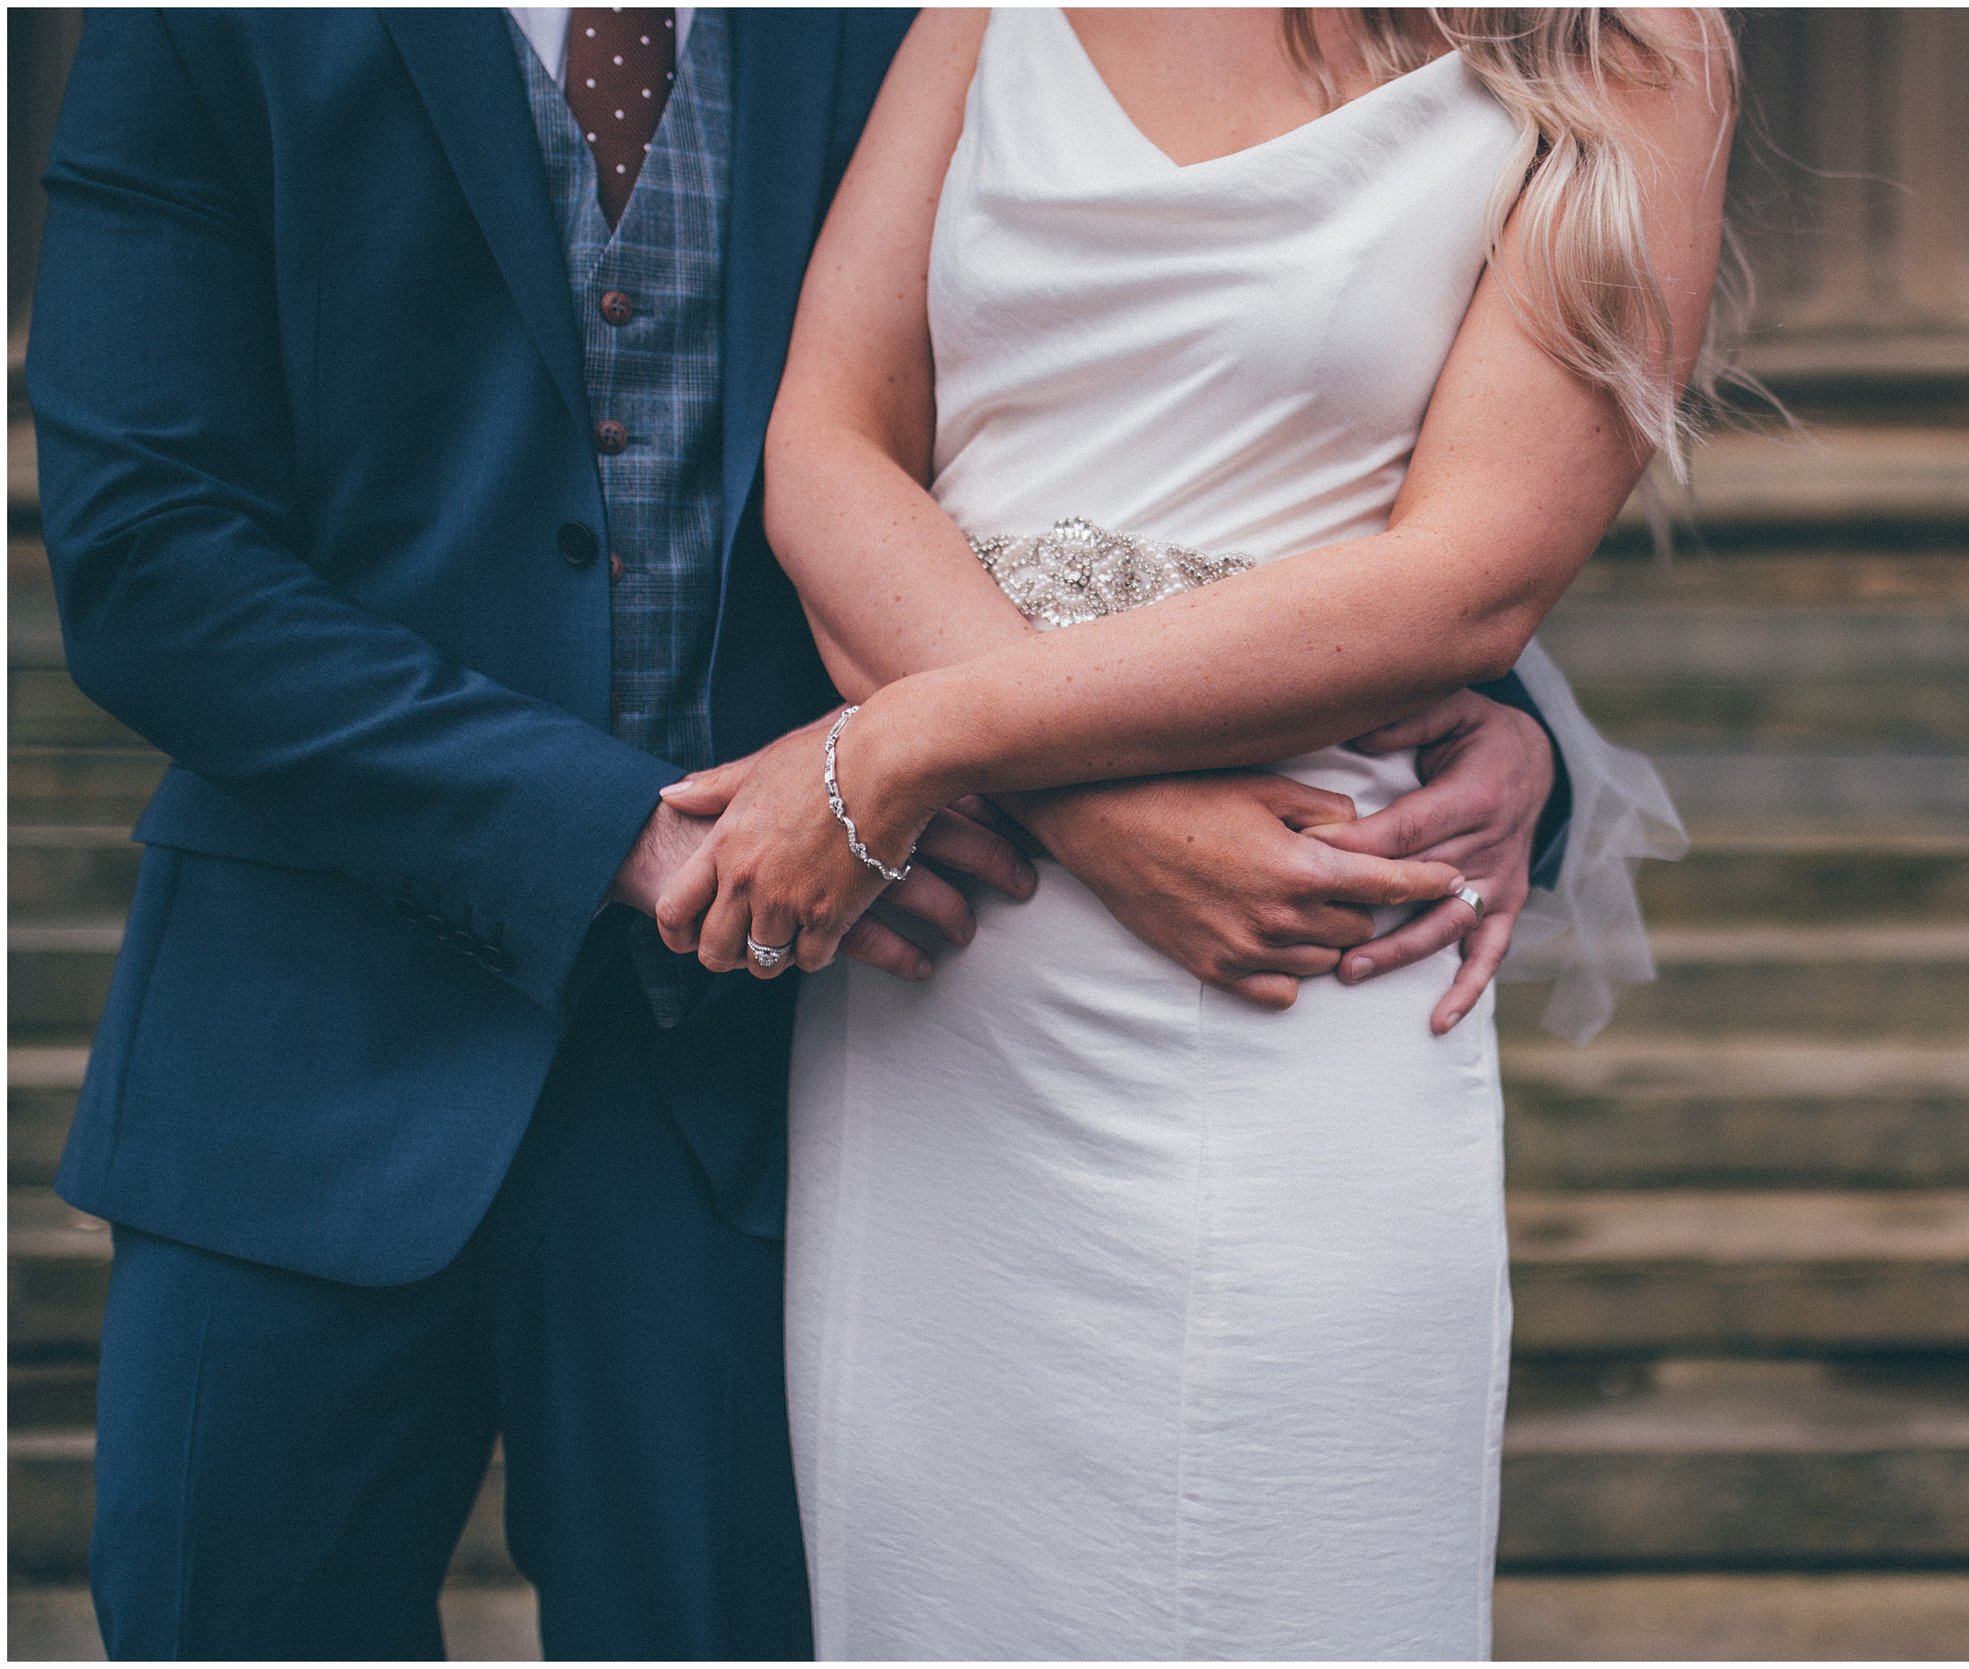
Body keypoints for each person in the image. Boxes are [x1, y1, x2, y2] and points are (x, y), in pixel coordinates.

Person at [26, 7, 1585, 1658]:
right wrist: (615, 831)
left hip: (756, 1086)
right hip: (299, 1058)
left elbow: (1139, 378)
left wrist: (1501, 716)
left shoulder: (909, 11)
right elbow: (153, 559)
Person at [655, 7, 1730, 1658]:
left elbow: (1468, 578)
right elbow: (825, 445)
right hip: (952, 990)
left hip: (1297, 952)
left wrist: (910, 740)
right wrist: (1085, 808)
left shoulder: (1620, 46)